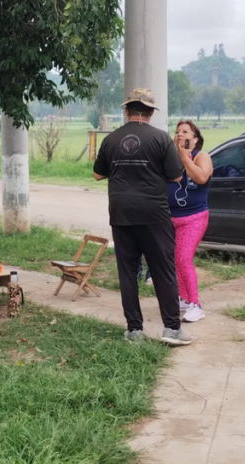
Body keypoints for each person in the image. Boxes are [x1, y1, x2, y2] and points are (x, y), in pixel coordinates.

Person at [92, 88, 192, 346]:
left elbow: (98, 174)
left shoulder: (111, 139)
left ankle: (134, 330)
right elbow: (177, 176)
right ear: (150, 112)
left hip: (121, 213)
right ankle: (172, 329)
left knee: (127, 272)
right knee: (163, 270)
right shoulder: (161, 139)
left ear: (127, 110)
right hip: (154, 214)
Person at [169, 120, 213, 322]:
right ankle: (184, 299)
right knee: (176, 259)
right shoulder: (171, 158)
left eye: (185, 132)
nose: (180, 134)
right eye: (177, 131)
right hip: (171, 218)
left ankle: (196, 305)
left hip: (194, 218)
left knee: (184, 258)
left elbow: (201, 178)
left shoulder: (201, 156)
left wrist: (185, 158)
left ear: (195, 139)